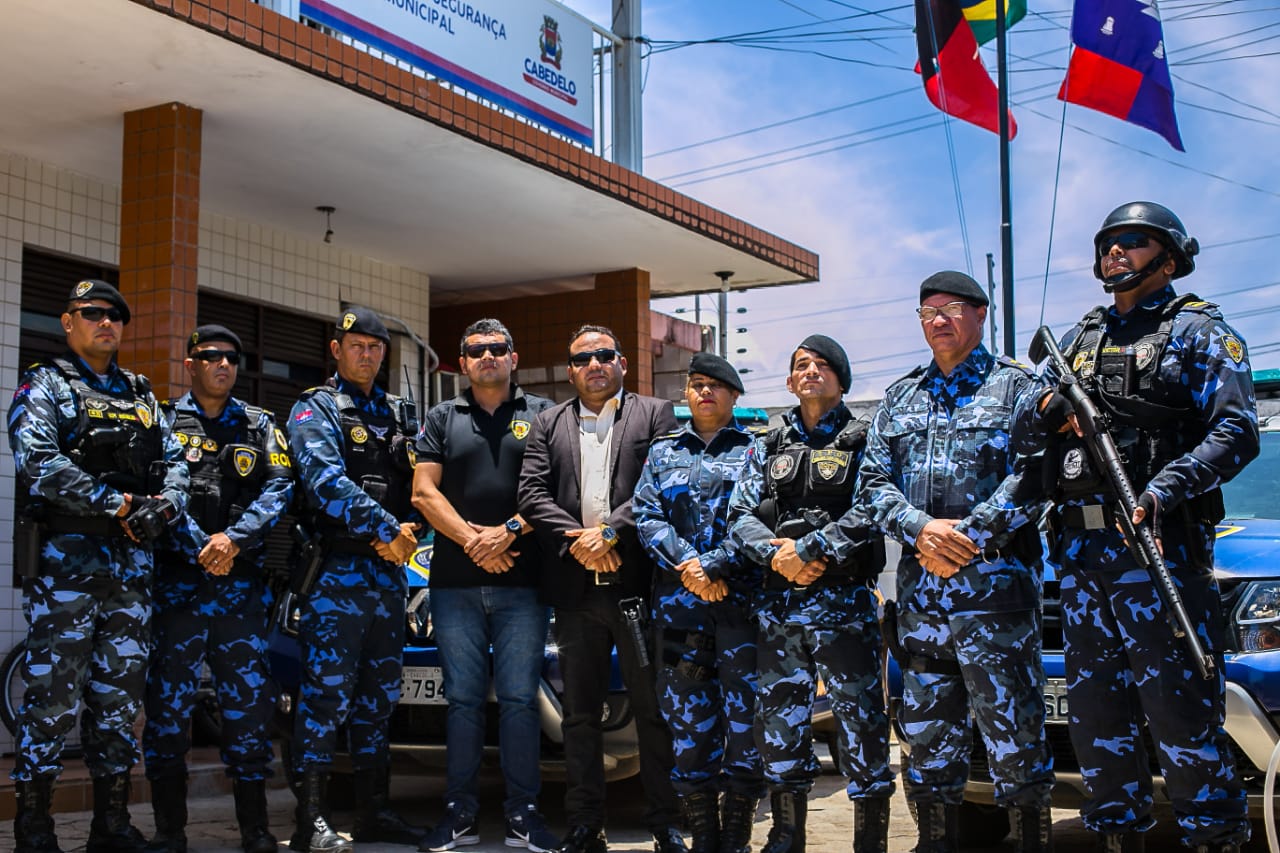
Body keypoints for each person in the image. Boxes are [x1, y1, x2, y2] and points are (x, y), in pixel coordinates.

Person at [1014, 202, 1258, 853]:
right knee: (1098, 726)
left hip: (1161, 550)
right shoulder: (1080, 339)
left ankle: (1215, 838)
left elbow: (1238, 431)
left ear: (1169, 258)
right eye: (1108, 244)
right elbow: (1023, 415)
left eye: (1133, 241)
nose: (1115, 252)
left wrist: (1162, 488)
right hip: (1082, 557)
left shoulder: (1198, 331)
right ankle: (1118, 837)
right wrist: (1050, 404)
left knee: (1182, 720)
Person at [857, 272, 1053, 853]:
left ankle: (1029, 842)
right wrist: (921, 530)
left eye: (950, 308)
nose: (937, 320)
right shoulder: (901, 397)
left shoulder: (1017, 387)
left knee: (1015, 737)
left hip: (995, 598)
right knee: (926, 740)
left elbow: (1037, 473)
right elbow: (871, 482)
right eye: (926, 311)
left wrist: (967, 536)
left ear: (980, 313)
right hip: (922, 604)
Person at [6, 279, 188, 853]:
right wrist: (117, 503)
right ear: (68, 321)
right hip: (68, 570)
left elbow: (178, 462)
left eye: (114, 315)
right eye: (91, 313)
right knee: (52, 700)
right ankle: (34, 827)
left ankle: (110, 825)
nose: (104, 322)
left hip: (130, 574)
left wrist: (166, 504)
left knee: (118, 703)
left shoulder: (140, 395)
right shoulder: (47, 385)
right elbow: (36, 460)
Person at [517, 325, 684, 853]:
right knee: (580, 715)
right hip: (575, 594)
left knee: (653, 712)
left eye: (604, 355)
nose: (595, 364)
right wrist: (580, 542)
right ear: (570, 370)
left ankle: (664, 823)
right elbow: (531, 494)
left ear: (622, 363)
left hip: (636, 588)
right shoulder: (547, 423)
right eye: (583, 358)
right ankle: (586, 825)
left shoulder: (654, 414)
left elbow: (662, 484)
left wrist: (610, 531)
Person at [727, 334, 892, 853]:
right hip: (780, 611)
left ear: (842, 380)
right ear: (789, 380)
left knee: (862, 726)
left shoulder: (867, 439)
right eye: (801, 364)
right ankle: (786, 836)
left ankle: (870, 839)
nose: (810, 371)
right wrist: (777, 556)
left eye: (822, 364)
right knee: (780, 728)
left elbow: (873, 507)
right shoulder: (768, 443)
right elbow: (739, 517)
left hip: (845, 606)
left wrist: (811, 549)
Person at [142, 325, 294, 853]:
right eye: (211, 357)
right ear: (190, 364)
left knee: (248, 712)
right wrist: (201, 545)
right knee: (167, 711)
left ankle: (254, 830)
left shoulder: (257, 424)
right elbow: (154, 490)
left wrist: (232, 539)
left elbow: (280, 487)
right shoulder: (162, 420)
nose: (223, 365)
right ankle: (168, 833)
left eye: (232, 357)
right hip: (179, 589)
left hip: (239, 594)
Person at [411, 319, 557, 853]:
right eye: (477, 350)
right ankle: (459, 817)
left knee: (520, 700)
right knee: (464, 702)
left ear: (514, 358)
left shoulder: (543, 415)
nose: (489, 356)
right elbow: (424, 492)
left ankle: (524, 816)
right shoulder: (440, 418)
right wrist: (474, 541)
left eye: (498, 349)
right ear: (463, 362)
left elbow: (555, 488)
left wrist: (505, 535)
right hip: (453, 586)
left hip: (525, 586)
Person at [287, 306, 423, 853]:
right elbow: (324, 482)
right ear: (336, 350)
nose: (366, 354)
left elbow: (426, 481)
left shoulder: (399, 414)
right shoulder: (313, 408)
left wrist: (408, 533)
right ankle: (310, 821)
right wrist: (389, 528)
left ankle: (375, 814)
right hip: (335, 576)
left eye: (375, 347)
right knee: (323, 701)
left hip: (389, 579)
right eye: (356, 345)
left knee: (378, 701)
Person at [633, 353, 764, 853]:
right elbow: (647, 516)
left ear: (734, 396)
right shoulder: (663, 453)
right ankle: (704, 835)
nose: (704, 393)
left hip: (740, 605)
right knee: (688, 724)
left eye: (716, 386)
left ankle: (736, 836)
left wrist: (715, 567)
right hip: (680, 608)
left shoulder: (757, 451)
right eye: (696, 385)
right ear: (686, 395)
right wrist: (690, 565)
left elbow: (758, 518)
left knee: (745, 723)